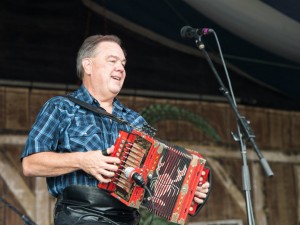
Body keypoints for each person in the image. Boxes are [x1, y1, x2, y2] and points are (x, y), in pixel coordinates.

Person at [21, 34, 210, 225]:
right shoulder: (61, 107)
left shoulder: (134, 120)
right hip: (81, 216)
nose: (120, 67)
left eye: (123, 63)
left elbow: (149, 184)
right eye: (112, 61)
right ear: (88, 66)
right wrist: (82, 160)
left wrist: (188, 192)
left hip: (128, 219)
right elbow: (30, 164)